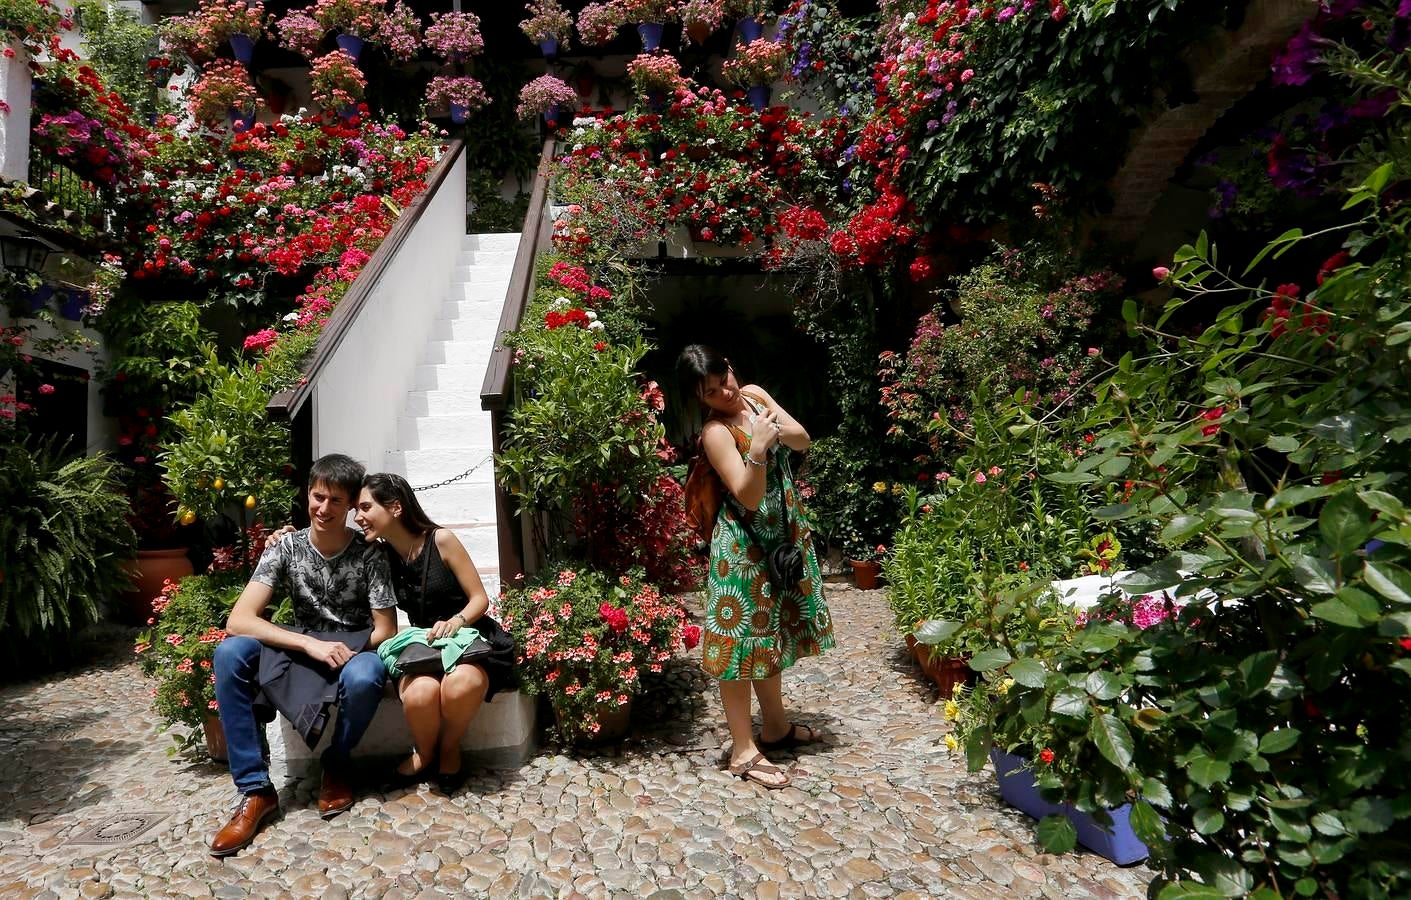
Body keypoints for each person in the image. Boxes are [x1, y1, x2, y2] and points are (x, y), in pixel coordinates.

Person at [209, 454, 398, 857]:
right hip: (301, 641)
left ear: (350, 505)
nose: (324, 508)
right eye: (318, 497)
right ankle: (256, 790)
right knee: (231, 653)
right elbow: (239, 619)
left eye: (335, 501)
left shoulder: (370, 554)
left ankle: (338, 762)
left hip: (354, 643)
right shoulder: (285, 548)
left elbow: (385, 630)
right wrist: (311, 644)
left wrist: (346, 650)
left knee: (365, 677)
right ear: (307, 495)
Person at [676, 344, 835, 790]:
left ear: (729, 365)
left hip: (780, 540)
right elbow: (746, 495)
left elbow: (802, 439)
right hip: (742, 550)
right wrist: (760, 448)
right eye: (710, 392)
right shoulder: (716, 433)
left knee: (770, 637)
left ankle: (776, 728)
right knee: (739, 646)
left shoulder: (754, 395)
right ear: (700, 399)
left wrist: (771, 421)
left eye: (722, 379)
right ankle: (743, 750)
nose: (724, 392)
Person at [353, 473, 515, 793]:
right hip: (423, 647)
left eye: (365, 507)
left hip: (467, 639)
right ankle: (425, 753)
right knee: (419, 694)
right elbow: (330, 540)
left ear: (395, 508)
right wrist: (286, 535)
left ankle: (449, 747)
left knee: (461, 686)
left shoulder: (441, 540)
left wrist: (456, 621)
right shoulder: (380, 555)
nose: (358, 517)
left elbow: (479, 599)